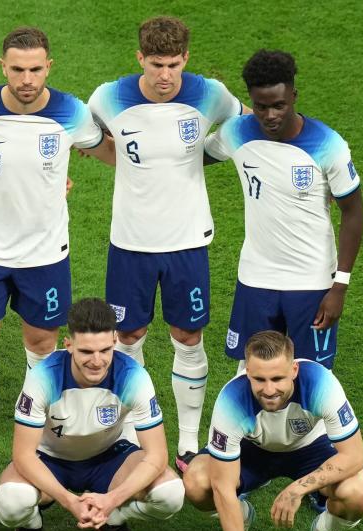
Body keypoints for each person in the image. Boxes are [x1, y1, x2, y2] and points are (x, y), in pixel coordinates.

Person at [86, 16, 245, 472]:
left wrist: (205, 155)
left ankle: (189, 443)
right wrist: (116, 159)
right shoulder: (109, 96)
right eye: (156, 64)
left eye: (173, 64)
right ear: (140, 58)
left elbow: (241, 128)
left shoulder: (210, 94)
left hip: (187, 242)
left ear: (186, 59)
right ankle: (136, 435)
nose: (164, 75)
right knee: (128, 336)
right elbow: (85, 135)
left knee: (187, 336)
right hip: (131, 242)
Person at [0, 26, 113, 410]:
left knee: (43, 347)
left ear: (49, 67)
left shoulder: (72, 112)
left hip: (45, 255)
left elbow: (110, 152)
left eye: (35, 70)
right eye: (17, 70)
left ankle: (39, 427)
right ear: (2, 67)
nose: (26, 80)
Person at [0, 298, 183, 531]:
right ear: (68, 345)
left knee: (171, 494)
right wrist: (69, 500)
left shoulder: (133, 376)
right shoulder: (43, 376)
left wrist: (112, 501)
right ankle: (29, 526)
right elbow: (23, 455)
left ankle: (113, 519)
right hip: (49, 459)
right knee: (11, 502)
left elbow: (157, 455)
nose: (97, 361)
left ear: (115, 341)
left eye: (105, 350)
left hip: (109, 459)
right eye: (86, 352)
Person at [204, 50, 363, 372]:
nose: (271, 115)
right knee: (251, 371)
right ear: (251, 100)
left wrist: (339, 286)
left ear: (293, 95)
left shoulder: (328, 145)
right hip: (255, 276)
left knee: (312, 375)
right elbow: (187, 156)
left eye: (279, 105)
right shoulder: (237, 132)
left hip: (312, 281)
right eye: (261, 106)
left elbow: (353, 213)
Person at [183, 331, 363, 531]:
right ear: (247, 371)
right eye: (259, 379)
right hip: (253, 452)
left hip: (310, 450)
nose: (269, 390)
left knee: (358, 491)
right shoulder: (231, 400)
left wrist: (297, 489)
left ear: (294, 370)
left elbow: (354, 456)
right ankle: (242, 516)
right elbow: (222, 486)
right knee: (196, 482)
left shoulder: (320, 382)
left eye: (277, 378)